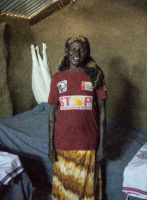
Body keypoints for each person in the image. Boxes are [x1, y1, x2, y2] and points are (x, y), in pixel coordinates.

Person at [48, 35, 107, 200]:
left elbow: (102, 114)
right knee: (65, 189)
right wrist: (50, 145)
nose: (77, 53)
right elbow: (52, 115)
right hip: (62, 143)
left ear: (87, 52)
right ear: (66, 52)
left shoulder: (96, 77)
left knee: (86, 190)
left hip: (88, 143)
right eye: (73, 49)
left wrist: (102, 145)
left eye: (81, 49)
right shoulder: (57, 78)